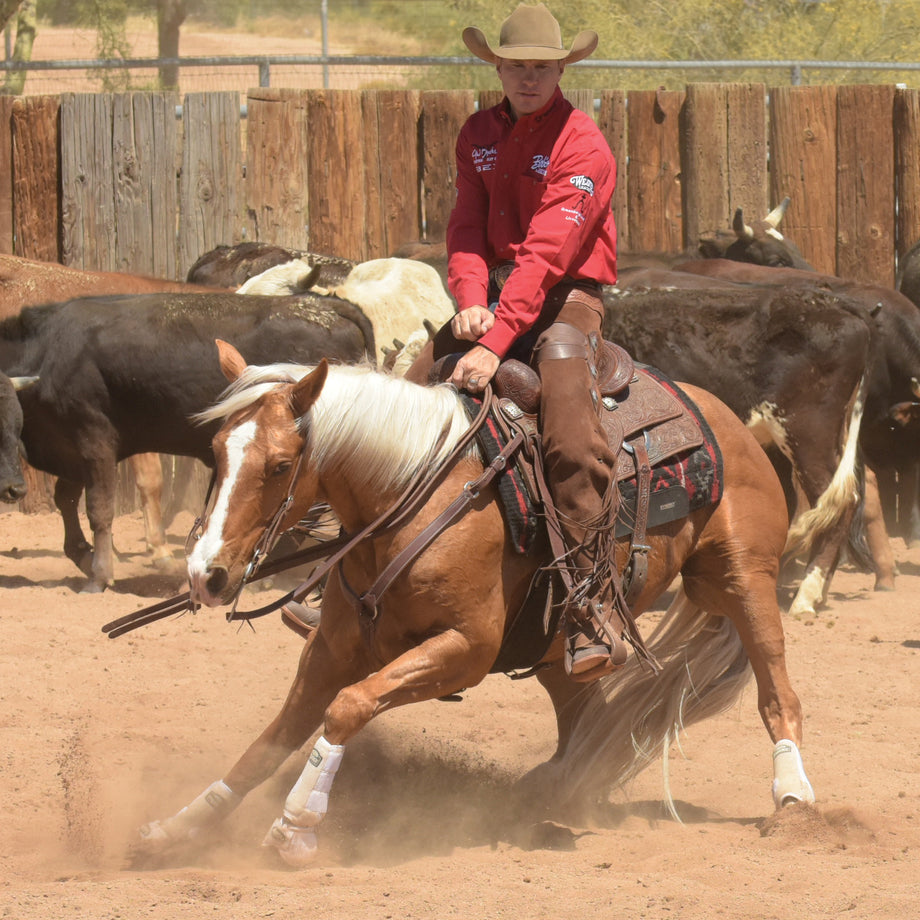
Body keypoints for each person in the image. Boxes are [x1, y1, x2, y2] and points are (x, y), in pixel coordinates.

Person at [437, 2, 625, 682]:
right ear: (498, 66)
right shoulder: (478, 133)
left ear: (560, 69)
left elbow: (549, 252)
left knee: (572, 441)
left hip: (567, 300)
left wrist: (497, 337)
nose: (528, 77)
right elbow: (464, 225)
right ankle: (351, 565)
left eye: (541, 67)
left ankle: (588, 607)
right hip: (492, 292)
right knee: (402, 396)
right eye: (516, 65)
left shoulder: (585, 144)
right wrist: (466, 303)